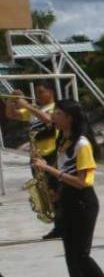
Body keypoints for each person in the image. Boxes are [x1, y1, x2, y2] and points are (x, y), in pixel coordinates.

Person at [31, 99, 104, 277]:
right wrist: (55, 193)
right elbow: (67, 174)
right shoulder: (64, 140)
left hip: (83, 202)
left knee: (81, 257)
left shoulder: (82, 144)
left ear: (70, 117)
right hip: (69, 200)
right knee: (72, 258)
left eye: (58, 113)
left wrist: (49, 170)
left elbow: (83, 182)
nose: (53, 116)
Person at [7, 81, 62, 239]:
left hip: (53, 154)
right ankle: (58, 225)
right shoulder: (34, 110)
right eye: (37, 93)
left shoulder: (57, 108)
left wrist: (26, 104)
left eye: (41, 92)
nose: (38, 95)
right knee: (46, 191)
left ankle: (64, 225)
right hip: (38, 156)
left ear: (51, 92)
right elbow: (11, 114)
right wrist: (11, 100)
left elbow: (47, 119)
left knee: (56, 190)